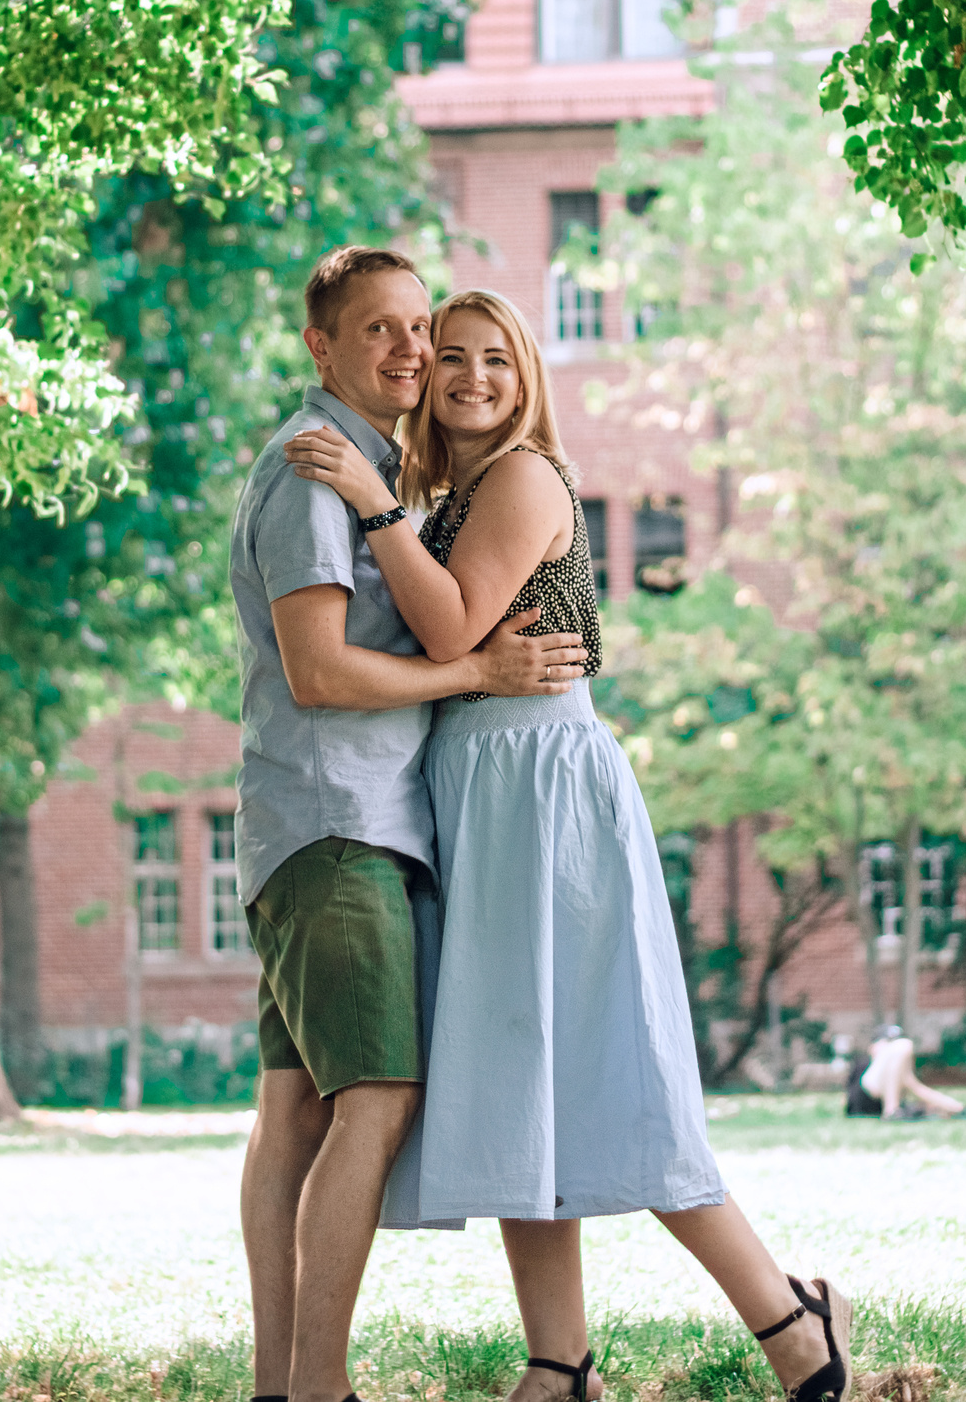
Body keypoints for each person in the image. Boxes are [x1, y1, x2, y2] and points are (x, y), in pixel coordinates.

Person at [284, 287, 849, 1402]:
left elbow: (452, 629)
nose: (472, 376)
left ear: (528, 373)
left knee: (613, 1076)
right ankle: (560, 1364)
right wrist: (385, 499)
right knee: (515, 1087)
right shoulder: (444, 493)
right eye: (451, 357)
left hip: (541, 791)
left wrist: (365, 497)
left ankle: (793, 1328)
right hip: (479, 793)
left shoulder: (524, 476)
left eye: (497, 358)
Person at [233, 249, 590, 1402]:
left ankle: (281, 1386)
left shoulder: (370, 476)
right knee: (377, 1098)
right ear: (321, 347)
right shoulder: (312, 475)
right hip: (339, 824)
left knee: (293, 1111)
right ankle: (320, 1388)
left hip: (329, 825)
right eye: (375, 329)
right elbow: (321, 672)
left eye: (415, 327)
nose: (407, 350)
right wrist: (480, 667)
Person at [842, 1031, 966, 1121]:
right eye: (887, 1042)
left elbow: (915, 1087)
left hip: (878, 1104)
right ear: (872, 1047)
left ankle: (892, 1111)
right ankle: (891, 1110)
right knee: (905, 1044)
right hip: (867, 1097)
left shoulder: (895, 1071)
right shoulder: (864, 1064)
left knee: (904, 1046)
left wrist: (956, 1107)